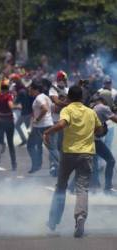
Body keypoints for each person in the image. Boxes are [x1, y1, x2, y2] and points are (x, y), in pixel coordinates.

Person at [44, 85, 103, 238]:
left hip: (69, 153)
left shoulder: (68, 110)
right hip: (87, 154)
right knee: (82, 188)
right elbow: (100, 129)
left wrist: (48, 132)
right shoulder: (91, 112)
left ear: (69, 98)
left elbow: (62, 124)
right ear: (82, 98)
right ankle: (80, 217)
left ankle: (53, 220)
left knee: (61, 187)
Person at [27, 81, 59, 175]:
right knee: (52, 147)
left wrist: (37, 119)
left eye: (31, 88)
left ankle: (37, 164)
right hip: (48, 124)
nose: (29, 90)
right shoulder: (46, 97)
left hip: (41, 126)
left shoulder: (39, 98)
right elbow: (51, 109)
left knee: (31, 145)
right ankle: (56, 167)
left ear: (36, 89)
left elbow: (44, 109)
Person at [0, 79, 17, 171]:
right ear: (7, 88)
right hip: (9, 121)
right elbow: (11, 106)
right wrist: (17, 106)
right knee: (10, 143)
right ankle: (14, 164)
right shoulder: (8, 96)